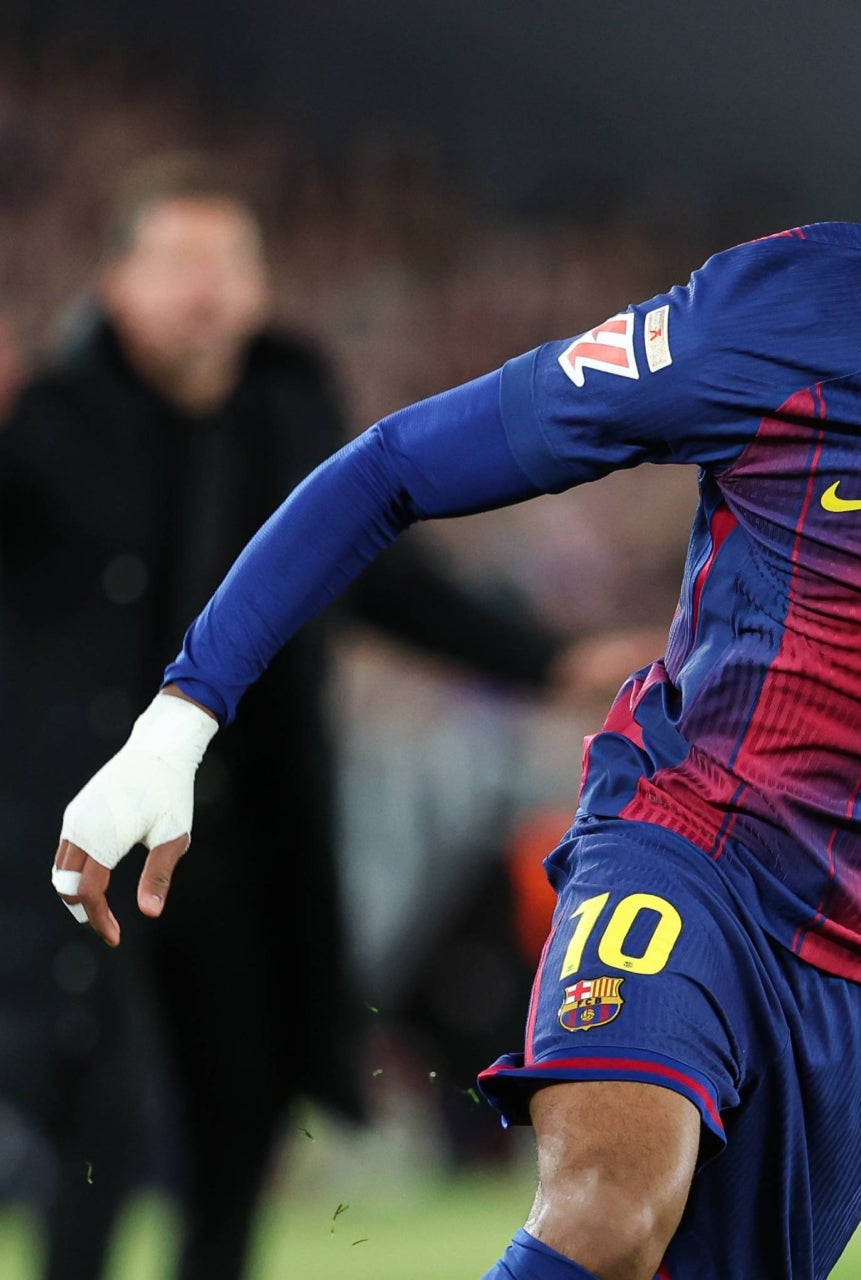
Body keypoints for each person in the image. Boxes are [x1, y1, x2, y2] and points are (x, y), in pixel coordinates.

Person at [44, 29, 861, 1280]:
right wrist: (179, 719)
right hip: (698, 845)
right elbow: (394, 467)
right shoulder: (770, 327)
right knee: (607, 1217)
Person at [0, 154, 642, 1280]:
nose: (206, 292)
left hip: (254, 836)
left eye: (227, 264)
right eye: (178, 263)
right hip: (89, 824)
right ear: (116, 284)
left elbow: (380, 577)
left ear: (260, 285)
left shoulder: (288, 411)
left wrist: (541, 660)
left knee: (243, 1109)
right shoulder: (41, 423)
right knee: (96, 1112)